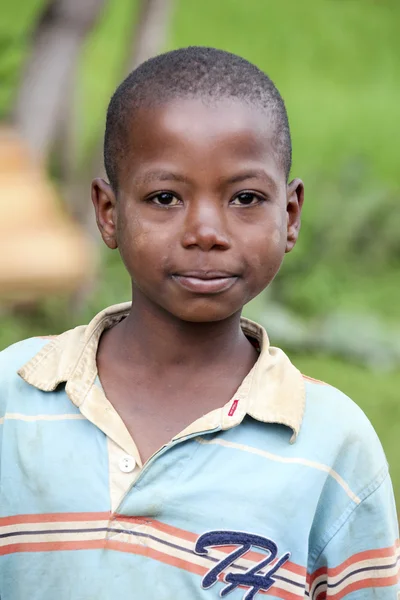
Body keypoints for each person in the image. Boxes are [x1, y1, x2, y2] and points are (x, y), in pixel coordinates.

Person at [0, 47, 398, 600]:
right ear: (109, 213)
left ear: (290, 215)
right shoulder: (14, 395)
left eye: (245, 198)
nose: (206, 231)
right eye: (165, 198)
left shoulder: (331, 445)